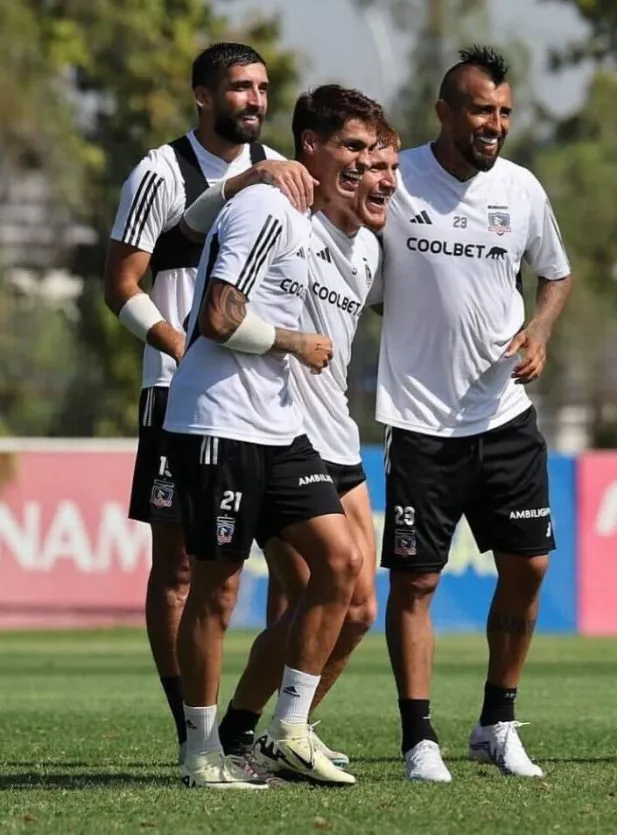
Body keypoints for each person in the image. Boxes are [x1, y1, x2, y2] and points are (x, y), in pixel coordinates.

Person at [162, 84, 384, 789]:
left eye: (369, 150)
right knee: (217, 592)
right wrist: (295, 341)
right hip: (218, 420)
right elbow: (220, 317)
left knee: (343, 564)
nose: (361, 163)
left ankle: (289, 728)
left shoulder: (310, 216)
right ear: (310, 147)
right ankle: (201, 749)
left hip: (279, 425)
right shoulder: (267, 205)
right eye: (350, 148)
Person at [104, 41, 312, 759]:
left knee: (298, 569)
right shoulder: (160, 171)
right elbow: (121, 282)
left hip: (266, 399)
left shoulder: (281, 174)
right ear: (202, 95)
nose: (254, 100)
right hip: (179, 391)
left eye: (261, 87)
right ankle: (187, 726)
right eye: (238, 88)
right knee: (182, 568)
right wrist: (176, 342)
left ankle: (257, 727)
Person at [374, 45, 572, 783]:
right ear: (445, 113)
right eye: (483, 110)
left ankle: (497, 719)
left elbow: (556, 271)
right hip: (422, 421)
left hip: (505, 415)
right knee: (417, 583)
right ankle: (418, 736)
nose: (496, 124)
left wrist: (540, 330)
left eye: (505, 112)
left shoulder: (521, 190)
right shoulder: (394, 180)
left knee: (530, 564)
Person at [211, 121, 401, 773]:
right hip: (286, 434)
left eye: (383, 164)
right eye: (360, 159)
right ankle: (249, 733)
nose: (377, 175)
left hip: (341, 441)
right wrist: (259, 172)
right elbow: (205, 233)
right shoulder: (295, 217)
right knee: (307, 596)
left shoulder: (373, 251)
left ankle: (280, 730)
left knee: (359, 608)